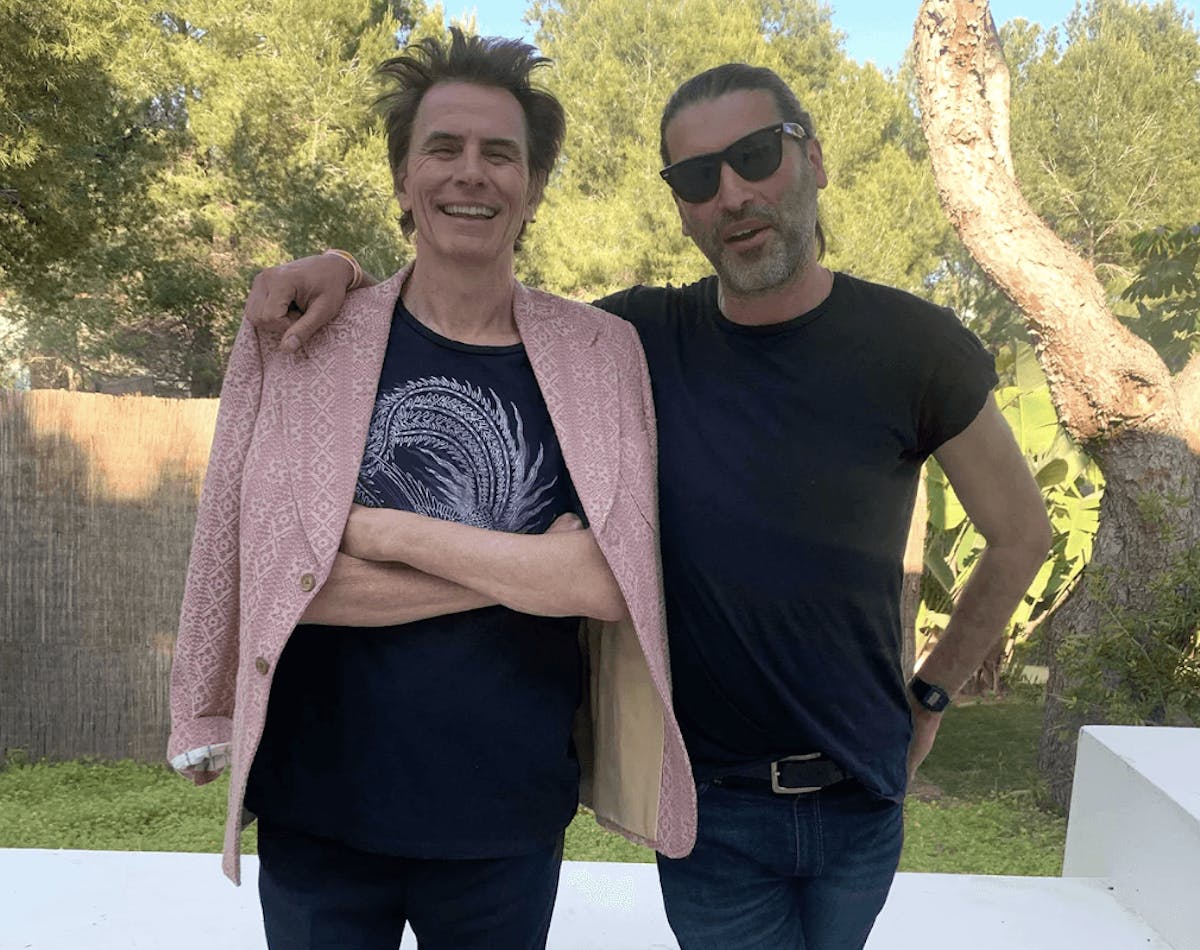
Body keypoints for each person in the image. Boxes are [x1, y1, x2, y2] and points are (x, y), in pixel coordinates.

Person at [244, 61, 1052, 950]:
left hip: (860, 790)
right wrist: (343, 271)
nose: (732, 194)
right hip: (709, 800)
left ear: (815, 159)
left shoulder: (916, 346)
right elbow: (460, 293)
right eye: (698, 176)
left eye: (756, 156)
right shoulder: (634, 339)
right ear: (680, 204)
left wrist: (930, 696)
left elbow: (1020, 534)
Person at [168, 30, 695, 950]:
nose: (471, 173)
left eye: (501, 153)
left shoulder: (600, 356)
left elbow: (610, 581)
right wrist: (532, 570)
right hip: (317, 812)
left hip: (507, 817)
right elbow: (279, 580)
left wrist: (379, 533)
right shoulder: (307, 339)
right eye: (443, 148)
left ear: (534, 185)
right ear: (403, 178)